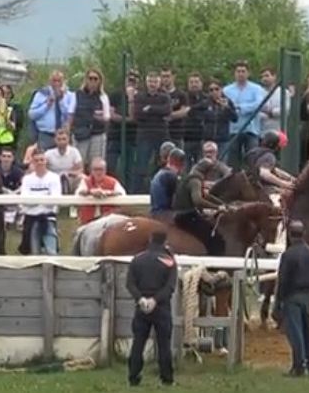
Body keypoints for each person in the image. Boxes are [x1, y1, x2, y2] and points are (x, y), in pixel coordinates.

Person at [125, 230, 178, 387]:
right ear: (164, 242)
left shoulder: (137, 259)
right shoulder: (169, 261)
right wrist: (155, 300)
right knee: (164, 345)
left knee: (138, 343)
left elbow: (130, 284)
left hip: (141, 307)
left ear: (150, 239)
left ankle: (133, 377)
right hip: (161, 307)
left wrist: (140, 298)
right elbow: (170, 287)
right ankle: (166, 379)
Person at [275, 220, 309, 378]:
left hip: (292, 296)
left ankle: (298, 366)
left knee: (296, 333)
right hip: (308, 295)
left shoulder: (288, 254)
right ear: (303, 234)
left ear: (290, 234)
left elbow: (283, 279)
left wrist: (279, 300)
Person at [172, 158, 229, 256]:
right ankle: (213, 261)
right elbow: (198, 200)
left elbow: (205, 196)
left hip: (183, 214)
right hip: (186, 216)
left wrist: (222, 204)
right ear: (208, 172)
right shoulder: (195, 181)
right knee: (214, 237)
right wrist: (217, 208)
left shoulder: (191, 177)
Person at [18, 149, 62, 255]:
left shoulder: (54, 178)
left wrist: (34, 199)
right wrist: (45, 196)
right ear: (32, 162)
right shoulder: (27, 179)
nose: (39, 163)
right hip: (31, 219)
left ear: (46, 161)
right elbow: (25, 201)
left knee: (51, 252)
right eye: (36, 160)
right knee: (34, 252)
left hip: (48, 218)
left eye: (42, 160)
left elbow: (53, 201)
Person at [70, 68, 111, 170]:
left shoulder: (103, 97)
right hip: (80, 133)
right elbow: (70, 114)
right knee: (79, 163)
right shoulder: (76, 95)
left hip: (97, 134)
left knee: (96, 164)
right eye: (90, 78)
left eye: (95, 79)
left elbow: (107, 117)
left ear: (100, 81)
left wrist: (100, 117)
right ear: (86, 80)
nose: (93, 81)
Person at [28, 70, 75, 151]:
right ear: (50, 81)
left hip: (63, 136)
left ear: (63, 82)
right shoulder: (41, 94)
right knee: (44, 160)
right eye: (54, 81)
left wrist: (61, 100)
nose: (56, 83)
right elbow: (32, 114)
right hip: (46, 135)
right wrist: (47, 105)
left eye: (59, 81)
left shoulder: (70, 96)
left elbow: (69, 115)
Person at [75, 157, 126, 225]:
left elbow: (123, 195)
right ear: (91, 171)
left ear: (105, 170)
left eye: (101, 169)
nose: (98, 172)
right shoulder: (85, 181)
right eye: (95, 170)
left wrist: (109, 193)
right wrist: (90, 192)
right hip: (88, 221)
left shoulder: (113, 182)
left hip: (108, 222)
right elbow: (78, 193)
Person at [244, 129, 295, 195]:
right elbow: (264, 174)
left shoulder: (255, 152)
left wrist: (290, 178)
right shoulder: (269, 156)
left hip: (248, 186)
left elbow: (273, 169)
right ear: (275, 146)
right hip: (262, 189)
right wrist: (283, 184)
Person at [149, 142, 186, 216]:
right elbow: (181, 199)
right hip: (164, 214)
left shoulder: (159, 173)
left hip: (155, 212)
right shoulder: (169, 175)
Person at [45, 128, 84, 195]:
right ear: (55, 140)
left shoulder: (74, 151)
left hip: (70, 178)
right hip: (53, 179)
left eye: (64, 139)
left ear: (68, 139)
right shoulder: (49, 153)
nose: (61, 142)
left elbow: (80, 169)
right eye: (59, 139)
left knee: (82, 177)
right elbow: (43, 168)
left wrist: (68, 173)